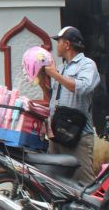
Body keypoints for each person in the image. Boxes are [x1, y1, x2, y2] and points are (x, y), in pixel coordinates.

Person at [41, 26, 101, 185]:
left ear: (67, 44)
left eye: (58, 41)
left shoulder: (87, 65)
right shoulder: (61, 68)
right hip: (57, 132)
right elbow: (53, 97)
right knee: (56, 180)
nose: (56, 45)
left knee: (83, 181)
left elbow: (81, 88)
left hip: (78, 134)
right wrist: (41, 81)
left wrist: (54, 74)